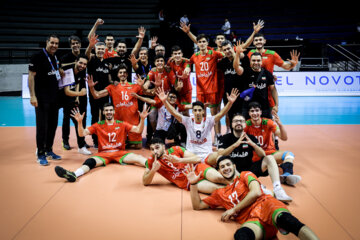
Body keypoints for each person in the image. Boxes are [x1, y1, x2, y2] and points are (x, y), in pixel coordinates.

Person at [184, 157, 319, 240]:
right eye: (222, 167)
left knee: (289, 221)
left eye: (228, 165)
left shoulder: (245, 174)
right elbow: (198, 205)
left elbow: (255, 193)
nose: (226, 168)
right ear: (219, 171)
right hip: (251, 221)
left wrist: (233, 210)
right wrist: (194, 184)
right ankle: (274, 228)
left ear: (234, 166)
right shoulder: (220, 193)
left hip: (267, 205)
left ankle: (282, 222)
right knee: (241, 236)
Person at [54, 103, 149, 182]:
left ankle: (153, 166)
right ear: (103, 112)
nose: (109, 112)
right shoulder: (98, 125)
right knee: (89, 162)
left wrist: (143, 119)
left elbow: (138, 130)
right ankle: (74, 174)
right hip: (103, 154)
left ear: (114, 111)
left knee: (138, 158)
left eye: (110, 110)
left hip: (120, 153)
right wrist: (79, 122)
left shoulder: (122, 124)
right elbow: (82, 134)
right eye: (106, 110)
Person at [217, 113, 293, 202]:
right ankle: (258, 187)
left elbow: (262, 155)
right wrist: (235, 145)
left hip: (250, 170)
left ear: (245, 124)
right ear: (232, 124)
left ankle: (278, 188)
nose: (238, 123)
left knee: (269, 158)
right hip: (234, 172)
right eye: (236, 121)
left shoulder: (251, 138)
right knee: (218, 159)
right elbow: (220, 154)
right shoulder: (225, 138)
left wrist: (253, 144)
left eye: (241, 121)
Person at [248, 32, 300, 150]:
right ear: (254, 42)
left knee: (271, 119)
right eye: (256, 40)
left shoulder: (272, 54)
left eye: (261, 40)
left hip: (268, 90)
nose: (258, 42)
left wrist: (293, 65)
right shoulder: (250, 54)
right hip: (255, 91)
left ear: (264, 41)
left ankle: (274, 142)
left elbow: (285, 66)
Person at [159, 86, 240, 161]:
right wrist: (164, 101)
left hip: (207, 155)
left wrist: (230, 103)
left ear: (203, 111)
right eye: (195, 110)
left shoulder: (209, 121)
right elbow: (174, 112)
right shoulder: (188, 121)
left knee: (220, 156)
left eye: (199, 110)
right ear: (193, 111)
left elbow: (221, 113)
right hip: (191, 156)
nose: (197, 112)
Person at [143, 137, 231, 194]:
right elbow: (145, 182)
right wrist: (153, 170)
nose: (155, 151)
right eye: (152, 149)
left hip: (197, 168)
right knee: (218, 189)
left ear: (163, 146)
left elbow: (197, 159)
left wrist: (179, 160)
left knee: (219, 179)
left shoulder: (175, 149)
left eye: (157, 148)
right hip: (188, 182)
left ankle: (240, 185)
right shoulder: (151, 161)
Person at [88, 64, 145, 149]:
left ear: (127, 74)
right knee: (118, 146)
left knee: (138, 146)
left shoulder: (135, 86)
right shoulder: (112, 87)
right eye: (120, 72)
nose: (123, 74)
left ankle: (125, 142)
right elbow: (96, 95)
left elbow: (147, 93)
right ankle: (123, 141)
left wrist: (142, 86)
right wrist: (91, 88)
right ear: (118, 74)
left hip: (133, 121)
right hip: (119, 122)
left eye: (124, 72)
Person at [245, 102, 301, 186]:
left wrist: (280, 125)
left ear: (260, 112)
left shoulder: (268, 122)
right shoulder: (246, 124)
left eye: (257, 110)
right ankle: (280, 173)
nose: (255, 113)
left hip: (270, 153)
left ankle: (287, 175)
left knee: (289, 154)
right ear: (249, 113)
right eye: (252, 111)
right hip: (256, 157)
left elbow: (284, 138)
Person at [28, 34, 62, 165]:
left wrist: (60, 71)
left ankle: (49, 150)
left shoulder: (55, 57)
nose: (54, 46)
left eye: (56, 44)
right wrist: (32, 95)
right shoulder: (37, 56)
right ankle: (40, 153)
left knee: (53, 125)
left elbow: (54, 71)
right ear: (47, 42)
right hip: (42, 98)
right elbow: (31, 76)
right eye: (52, 43)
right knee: (42, 126)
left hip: (54, 97)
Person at [189, 34, 225, 142]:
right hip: (200, 91)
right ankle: (202, 136)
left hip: (212, 90)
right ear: (197, 44)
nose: (202, 43)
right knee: (200, 115)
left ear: (207, 43)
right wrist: (187, 68)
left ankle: (217, 136)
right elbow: (188, 62)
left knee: (215, 115)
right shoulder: (195, 56)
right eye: (199, 42)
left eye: (204, 41)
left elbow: (225, 54)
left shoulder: (213, 54)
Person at [60, 35, 91, 150]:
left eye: (77, 43)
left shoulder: (84, 58)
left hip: (81, 92)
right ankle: (65, 141)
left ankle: (81, 141)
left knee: (82, 118)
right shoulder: (65, 58)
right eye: (73, 43)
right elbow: (60, 68)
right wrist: (60, 69)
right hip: (69, 92)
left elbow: (89, 51)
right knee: (66, 118)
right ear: (70, 45)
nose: (75, 45)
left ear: (80, 44)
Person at [233, 50, 278, 119]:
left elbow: (273, 90)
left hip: (264, 107)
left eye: (258, 60)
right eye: (253, 60)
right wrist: (237, 54)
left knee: (268, 127)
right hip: (247, 107)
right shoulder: (245, 72)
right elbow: (236, 67)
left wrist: (276, 105)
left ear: (261, 61)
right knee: (245, 128)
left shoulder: (267, 73)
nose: (256, 62)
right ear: (250, 61)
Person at [86, 39, 111, 148]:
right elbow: (86, 54)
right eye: (98, 49)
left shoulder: (107, 63)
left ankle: (103, 137)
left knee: (104, 116)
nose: (100, 51)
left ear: (105, 50)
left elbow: (109, 78)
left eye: (102, 49)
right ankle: (95, 140)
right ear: (95, 50)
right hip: (94, 94)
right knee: (95, 116)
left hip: (105, 95)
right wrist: (90, 46)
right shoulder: (91, 60)